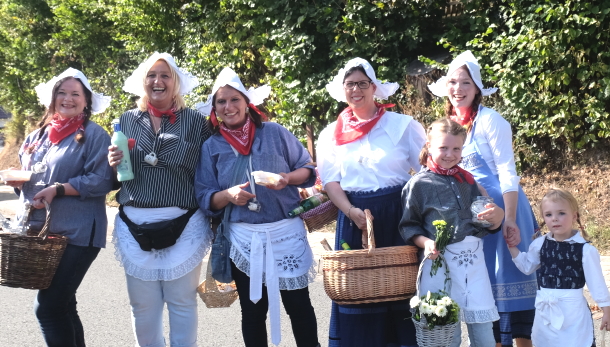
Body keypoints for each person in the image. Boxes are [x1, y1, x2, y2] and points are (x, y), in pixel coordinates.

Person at [194, 67, 320, 347]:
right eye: (221, 102)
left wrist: (286, 178)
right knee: (253, 311)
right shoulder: (211, 146)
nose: (229, 107)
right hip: (244, 238)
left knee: (299, 306)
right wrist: (227, 195)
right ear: (214, 109)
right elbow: (205, 197)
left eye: (234, 99)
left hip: (285, 232)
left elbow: (306, 168)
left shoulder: (274, 133)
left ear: (247, 103)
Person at [428, 50, 539, 347]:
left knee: (510, 282)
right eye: (453, 82)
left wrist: (510, 218)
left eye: (465, 83)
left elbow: (507, 172)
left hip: (502, 206)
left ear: (477, 88)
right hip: (467, 213)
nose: (458, 89)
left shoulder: (491, 120)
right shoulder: (447, 123)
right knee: (480, 285)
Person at [316, 57, 426, 347]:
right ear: (343, 89)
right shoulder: (330, 134)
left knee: (400, 289)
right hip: (354, 216)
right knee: (359, 292)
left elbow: (426, 170)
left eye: (362, 83)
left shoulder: (402, 126)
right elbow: (331, 182)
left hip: (399, 215)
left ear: (374, 87)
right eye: (350, 84)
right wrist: (351, 212)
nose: (356, 90)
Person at [107, 52, 212, 347]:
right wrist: (112, 164)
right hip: (134, 222)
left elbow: (211, 169)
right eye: (152, 75)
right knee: (142, 307)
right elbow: (117, 179)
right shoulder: (126, 120)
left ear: (175, 83)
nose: (158, 81)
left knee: (181, 302)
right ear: (143, 82)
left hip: (184, 223)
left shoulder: (195, 121)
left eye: (165, 75)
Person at [5, 67, 113, 346]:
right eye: (61, 93)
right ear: (51, 98)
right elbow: (31, 176)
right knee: (64, 305)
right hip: (42, 233)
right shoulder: (36, 136)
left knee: (49, 307)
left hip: (78, 234)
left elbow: (102, 180)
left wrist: (58, 189)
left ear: (86, 101)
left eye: (75, 94)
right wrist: (17, 180)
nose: (67, 99)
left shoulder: (94, 135)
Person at [399, 118, 506, 347]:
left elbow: (484, 221)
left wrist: (496, 218)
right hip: (440, 264)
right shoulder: (418, 184)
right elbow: (409, 225)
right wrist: (426, 242)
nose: (450, 154)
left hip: (474, 265)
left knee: (485, 335)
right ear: (428, 145)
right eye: (443, 148)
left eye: (456, 148)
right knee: (449, 334)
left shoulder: (468, 181)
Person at [508, 188, 610, 346]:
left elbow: (596, 283)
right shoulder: (539, 244)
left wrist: (606, 310)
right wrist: (512, 246)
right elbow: (527, 266)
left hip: (573, 314)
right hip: (546, 315)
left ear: (574, 216)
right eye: (549, 215)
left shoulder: (585, 250)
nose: (555, 219)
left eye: (561, 213)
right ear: (543, 218)